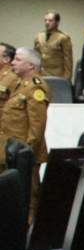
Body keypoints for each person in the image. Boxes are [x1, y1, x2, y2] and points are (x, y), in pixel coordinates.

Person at [0, 48, 50, 223]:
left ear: (30, 65)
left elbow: (37, 125)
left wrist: (27, 153)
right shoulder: (21, 84)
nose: (13, 62)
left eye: (18, 60)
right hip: (11, 150)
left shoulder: (36, 87)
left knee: (27, 194)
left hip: (23, 152)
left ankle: (28, 227)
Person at [34, 12, 73, 80]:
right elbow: (35, 56)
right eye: (45, 20)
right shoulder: (39, 36)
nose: (47, 22)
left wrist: (67, 79)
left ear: (57, 22)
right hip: (40, 74)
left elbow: (68, 60)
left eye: (50, 20)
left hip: (56, 75)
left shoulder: (63, 38)